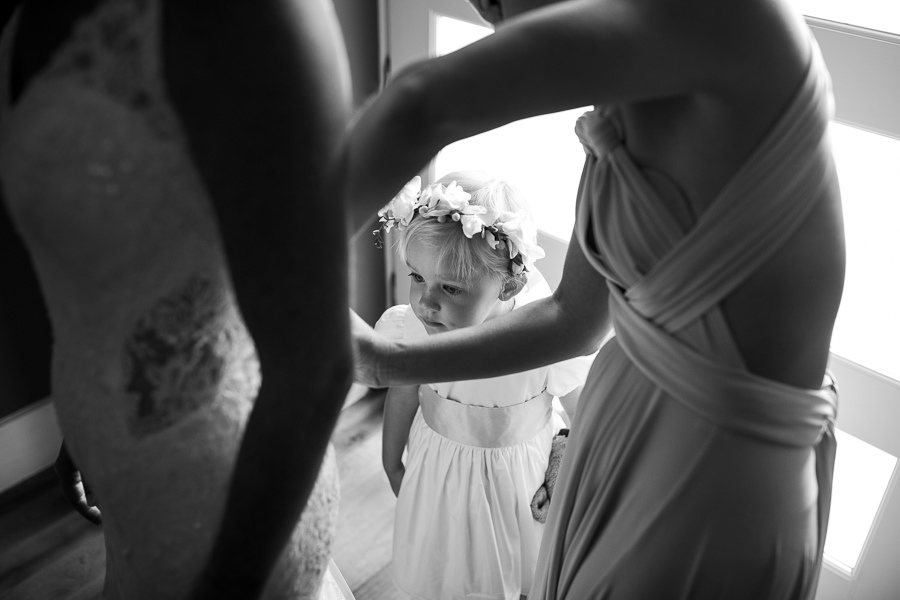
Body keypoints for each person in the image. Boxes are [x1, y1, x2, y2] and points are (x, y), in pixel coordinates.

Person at [345, 0, 845, 597]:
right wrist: (386, 362)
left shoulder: (729, 18)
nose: (484, 7)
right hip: (621, 413)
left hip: (720, 460)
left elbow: (420, 103)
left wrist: (277, 269)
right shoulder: (615, 109)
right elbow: (576, 320)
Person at [0, 1, 353, 598]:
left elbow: (318, 369)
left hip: (223, 504)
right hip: (121, 473)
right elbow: (109, 275)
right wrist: (83, 423)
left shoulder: (254, 18)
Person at [373, 171, 589, 599]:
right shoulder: (417, 327)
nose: (425, 303)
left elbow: (587, 415)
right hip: (439, 473)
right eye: (417, 278)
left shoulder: (544, 342)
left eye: (450, 288)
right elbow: (403, 394)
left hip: (516, 481)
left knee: (514, 565)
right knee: (442, 560)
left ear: (509, 284)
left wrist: (569, 469)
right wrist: (391, 460)